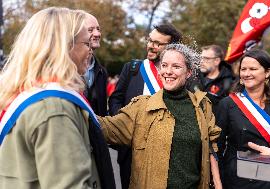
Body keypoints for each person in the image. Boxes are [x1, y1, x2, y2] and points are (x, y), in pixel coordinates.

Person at [0, 7, 115, 189]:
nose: (91, 51)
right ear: (65, 47)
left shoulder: (24, 91)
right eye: (86, 44)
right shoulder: (55, 108)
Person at [99, 43, 222, 189]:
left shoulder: (202, 106)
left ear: (188, 72)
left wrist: (218, 183)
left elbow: (211, 147)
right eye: (164, 65)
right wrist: (76, 107)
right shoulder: (141, 106)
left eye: (176, 67)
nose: (168, 71)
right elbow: (108, 128)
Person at [108, 23, 182, 189]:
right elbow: (116, 99)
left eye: (157, 43)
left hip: (165, 151)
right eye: (150, 40)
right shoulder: (132, 68)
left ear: (172, 47)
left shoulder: (179, 75)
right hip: (131, 149)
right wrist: (123, 123)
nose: (151, 46)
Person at [216, 49, 270, 189]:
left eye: (252, 69)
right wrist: (217, 183)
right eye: (243, 69)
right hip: (240, 179)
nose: (246, 74)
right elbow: (216, 148)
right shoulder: (228, 104)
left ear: (267, 72)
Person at [187, 45, 234, 113]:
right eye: (201, 58)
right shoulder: (193, 76)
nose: (202, 61)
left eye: (206, 58)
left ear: (217, 61)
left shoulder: (228, 83)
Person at [83, 12, 108, 116]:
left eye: (98, 29)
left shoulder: (102, 72)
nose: (97, 34)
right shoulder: (65, 70)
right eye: (90, 30)